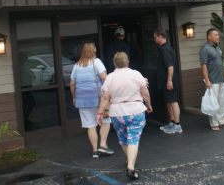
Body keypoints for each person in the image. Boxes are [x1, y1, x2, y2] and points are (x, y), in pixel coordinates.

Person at [97, 52, 152, 180]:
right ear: (127, 61)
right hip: (135, 111)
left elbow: (105, 98)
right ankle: (131, 168)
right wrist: (148, 105)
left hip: (117, 113)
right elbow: (145, 94)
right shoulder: (136, 74)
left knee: (123, 139)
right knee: (133, 139)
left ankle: (129, 160)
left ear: (114, 63)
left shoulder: (110, 77)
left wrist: (100, 113)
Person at [70, 42, 115, 158]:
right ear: (93, 51)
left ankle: (95, 151)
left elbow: (72, 84)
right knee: (105, 121)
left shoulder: (76, 66)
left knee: (90, 125)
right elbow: (104, 77)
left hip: (82, 101)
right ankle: (103, 145)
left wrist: (74, 97)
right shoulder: (96, 62)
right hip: (98, 99)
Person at [200, 28, 224, 130]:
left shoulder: (217, 48)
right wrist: (207, 80)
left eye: (218, 35)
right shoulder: (205, 49)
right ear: (209, 37)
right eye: (215, 35)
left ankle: (221, 121)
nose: (218, 37)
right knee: (214, 103)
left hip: (221, 79)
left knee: (221, 102)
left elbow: (220, 63)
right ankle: (214, 123)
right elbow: (203, 65)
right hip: (212, 80)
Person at [153, 28, 182, 134]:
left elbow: (170, 66)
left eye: (155, 37)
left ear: (161, 36)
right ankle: (172, 122)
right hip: (165, 82)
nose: (154, 39)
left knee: (173, 101)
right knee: (168, 102)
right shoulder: (163, 48)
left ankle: (177, 125)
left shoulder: (165, 49)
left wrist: (169, 81)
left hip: (169, 82)